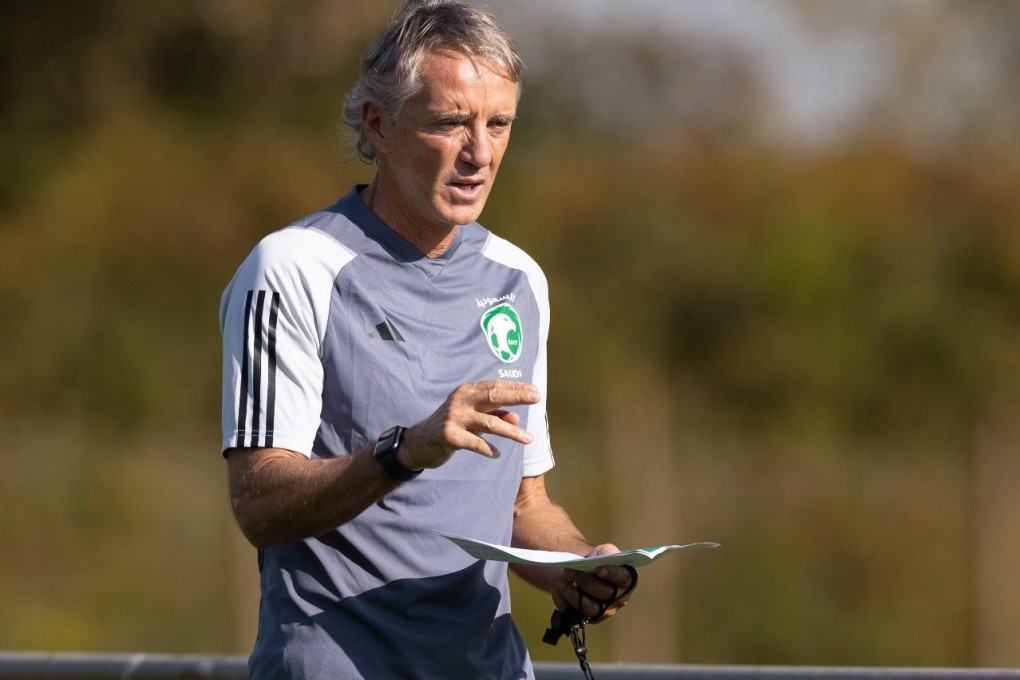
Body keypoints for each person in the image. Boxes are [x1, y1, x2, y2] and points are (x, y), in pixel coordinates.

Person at [220, 1, 636, 677]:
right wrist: (405, 450)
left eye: (498, 124)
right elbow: (259, 504)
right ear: (377, 125)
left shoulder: (519, 279)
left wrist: (576, 567)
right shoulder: (293, 267)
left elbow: (523, 502)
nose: (479, 152)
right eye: (449, 123)